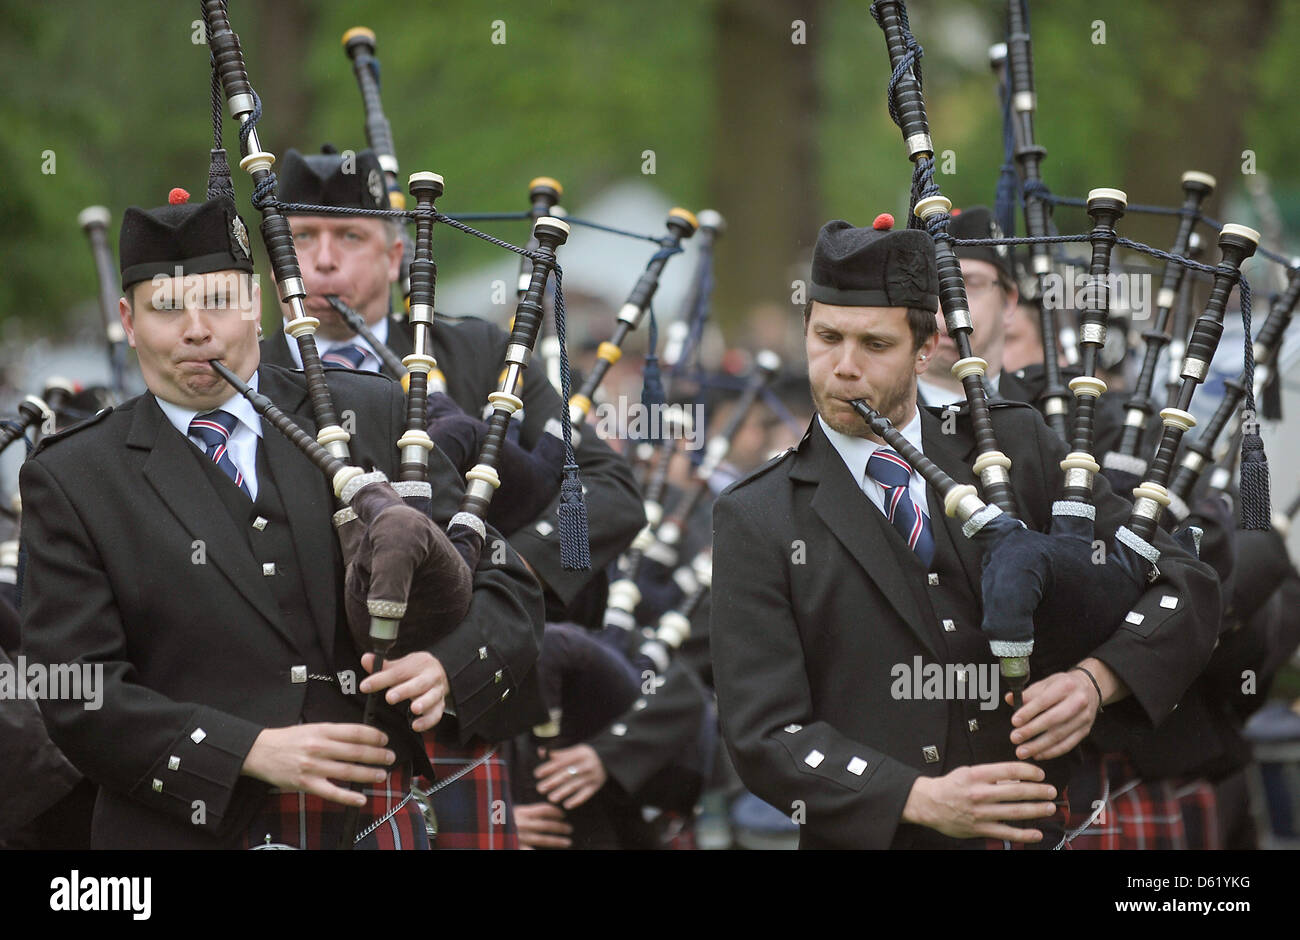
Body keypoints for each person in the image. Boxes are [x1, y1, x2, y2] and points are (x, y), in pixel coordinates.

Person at [19, 189, 544, 849]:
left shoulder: (369, 415)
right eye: (165, 310)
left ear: (256, 303)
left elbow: (504, 582)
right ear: (128, 320)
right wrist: (246, 750)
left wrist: (447, 664)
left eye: (218, 302)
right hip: (186, 829)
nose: (196, 331)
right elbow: (77, 690)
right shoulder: (75, 477)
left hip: (371, 819)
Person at [710, 216, 1221, 849]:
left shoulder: (1013, 445)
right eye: (826, 337)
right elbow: (765, 733)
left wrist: (1095, 682)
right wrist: (917, 798)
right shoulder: (758, 516)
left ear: (926, 350)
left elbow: (1180, 580)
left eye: (874, 344)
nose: (843, 368)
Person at [258, 147, 645, 846]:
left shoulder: (479, 356)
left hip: (468, 698)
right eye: (300, 238)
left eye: (349, 237)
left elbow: (609, 493)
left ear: (398, 251)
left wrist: (513, 570)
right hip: (297, 726)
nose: (322, 262)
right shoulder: (248, 376)